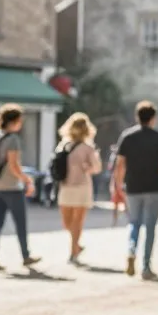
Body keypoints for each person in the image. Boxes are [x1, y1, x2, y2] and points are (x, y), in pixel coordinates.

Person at [114, 101, 158, 280]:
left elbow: (120, 165)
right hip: (153, 187)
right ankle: (146, 266)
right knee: (150, 226)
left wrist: (118, 185)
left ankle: (131, 250)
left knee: (134, 222)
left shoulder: (127, 136)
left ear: (137, 117)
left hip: (132, 187)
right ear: (153, 118)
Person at [0, 103, 40, 271]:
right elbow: (14, 165)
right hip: (11, 187)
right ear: (14, 121)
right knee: (20, 223)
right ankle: (26, 256)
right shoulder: (13, 139)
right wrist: (27, 180)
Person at [55, 112, 103, 263]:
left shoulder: (88, 148)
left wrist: (86, 166)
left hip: (82, 186)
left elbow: (97, 168)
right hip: (66, 186)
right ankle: (76, 246)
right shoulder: (64, 145)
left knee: (78, 221)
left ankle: (73, 252)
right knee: (67, 223)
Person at [107, 144, 125, 226]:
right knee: (122, 202)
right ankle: (130, 220)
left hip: (118, 181)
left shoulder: (115, 158)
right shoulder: (121, 158)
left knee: (117, 203)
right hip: (121, 181)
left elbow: (110, 168)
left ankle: (115, 221)